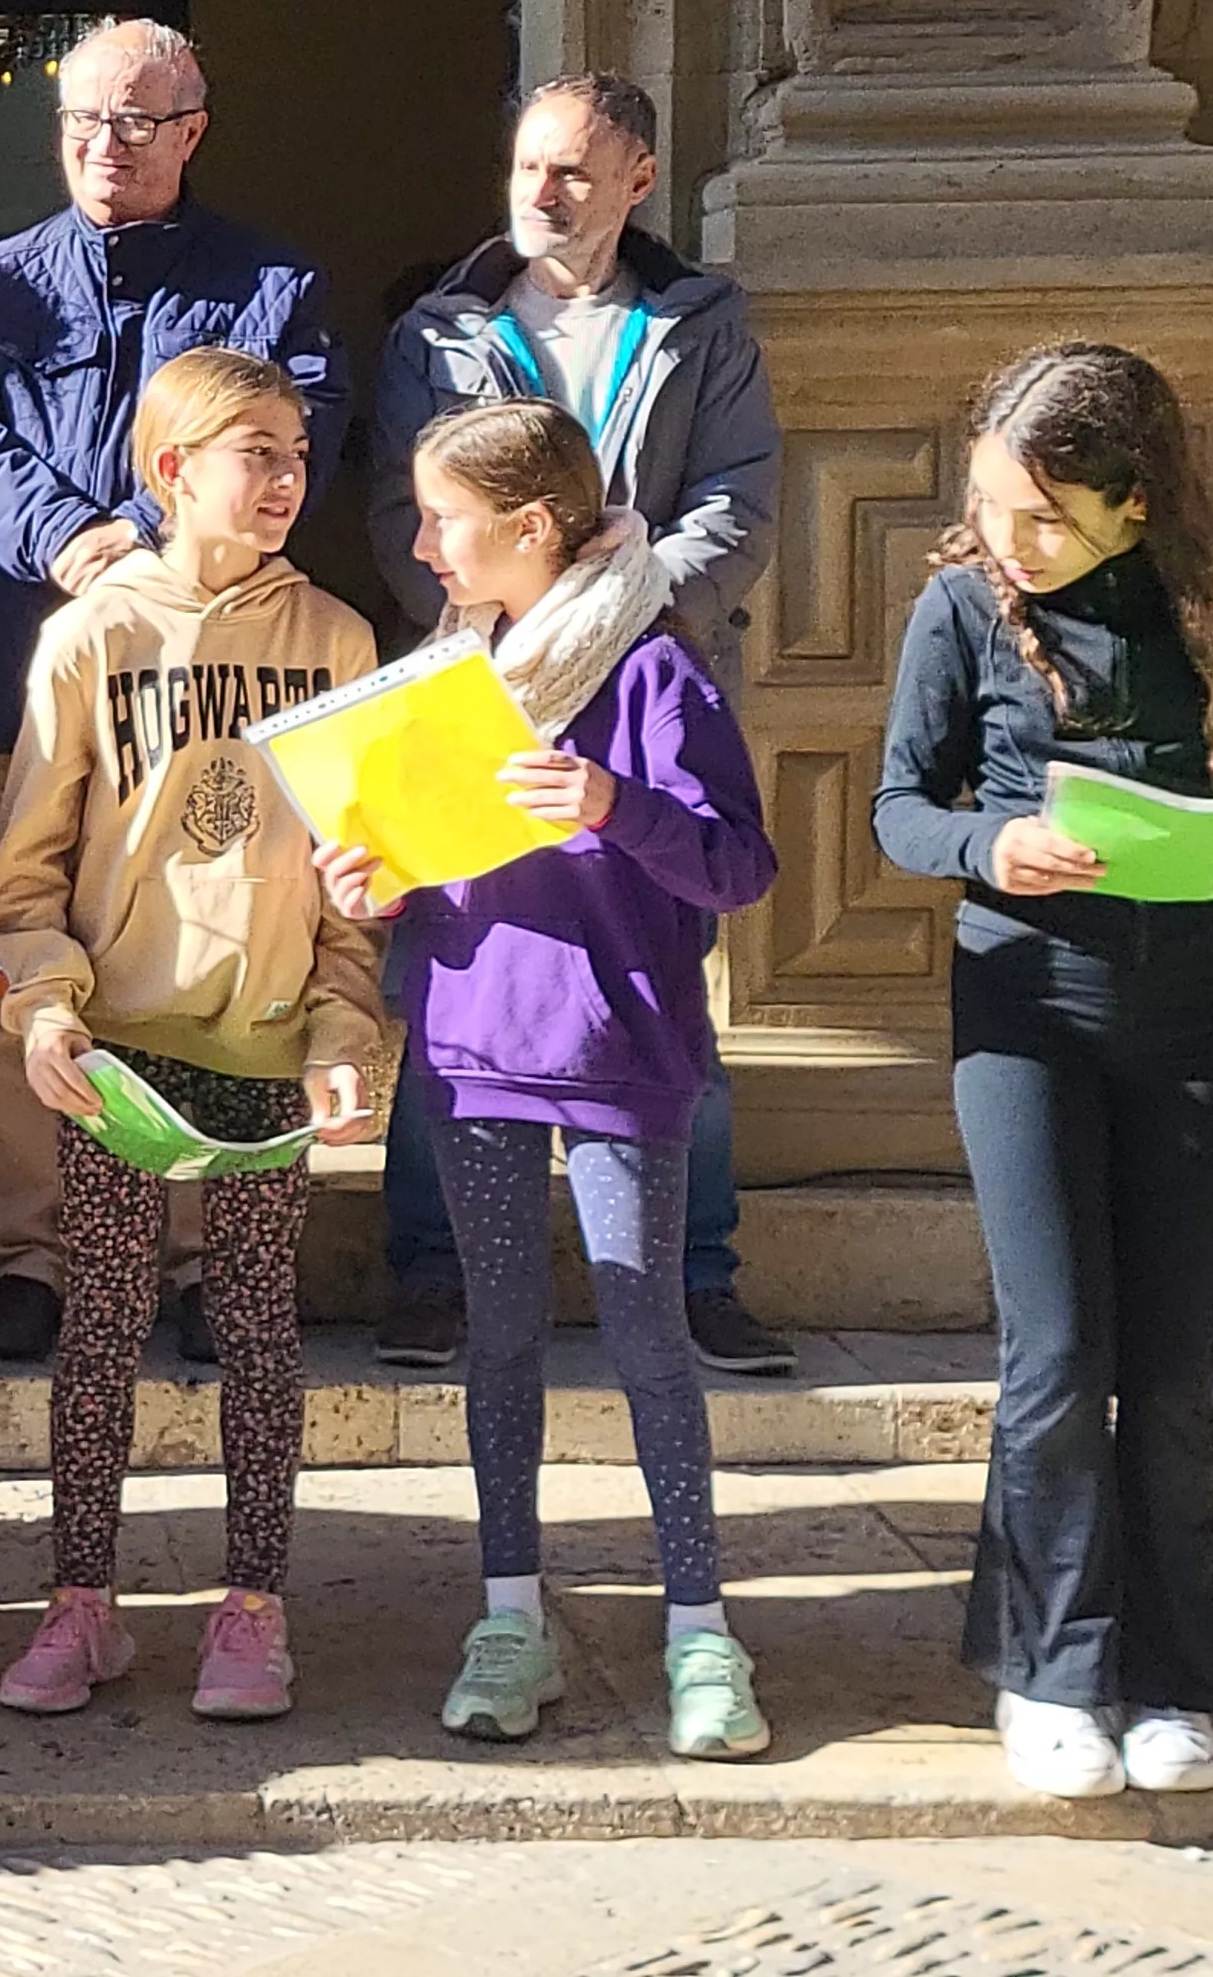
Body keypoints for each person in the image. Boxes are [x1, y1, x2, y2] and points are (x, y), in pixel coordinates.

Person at [872, 342, 1213, 1802]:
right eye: (995, 503)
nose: (1011, 538)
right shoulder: (962, 606)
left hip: (1196, 1011)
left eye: (1045, 515)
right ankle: (1052, 1672)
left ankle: (1177, 1683)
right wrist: (986, 846)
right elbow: (899, 804)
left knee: (1176, 1368)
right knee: (1058, 1356)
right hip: (1027, 1011)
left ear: (1137, 503)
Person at [314, 398, 779, 1763]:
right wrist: (375, 880)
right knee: (498, 1334)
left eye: (447, 518)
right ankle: (508, 1613)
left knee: (648, 1334)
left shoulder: (651, 676)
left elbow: (737, 866)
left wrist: (609, 807)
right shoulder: (449, 669)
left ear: (531, 527)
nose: (424, 541)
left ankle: (701, 1626)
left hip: (623, 1054)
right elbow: (420, 850)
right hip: (471, 1053)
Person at [0, 17, 341, 1368]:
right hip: (20, 686)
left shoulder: (271, 281)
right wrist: (66, 536)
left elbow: (287, 426)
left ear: (192, 132)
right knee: (12, 983)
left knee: (216, 965)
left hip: (204, 695)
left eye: (136, 123)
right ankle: (34, 1254)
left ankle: (213, 1254)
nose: (105, 146)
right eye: (83, 122)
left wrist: (153, 553)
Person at [0, 349, 381, 1722]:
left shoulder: (335, 641)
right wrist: (44, 1006)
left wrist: (340, 1023)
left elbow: (353, 876)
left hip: (263, 1043)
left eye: (296, 455)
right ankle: (80, 1602)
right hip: (120, 1050)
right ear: (170, 472)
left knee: (259, 1327)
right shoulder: (91, 639)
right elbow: (24, 872)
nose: (281, 479)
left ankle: (252, 1607)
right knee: (103, 1328)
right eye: (251, 452)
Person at [367, 71, 790, 1377]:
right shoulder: (442, 329)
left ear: (637, 181)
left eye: (574, 172)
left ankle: (694, 1270)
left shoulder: (698, 321)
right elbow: (400, 505)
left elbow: (739, 495)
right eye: (527, 169)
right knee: (453, 961)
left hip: (648, 678)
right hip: (474, 680)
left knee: (668, 969)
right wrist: (503, 619)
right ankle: (432, 1272)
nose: (543, 195)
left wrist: (617, 614)